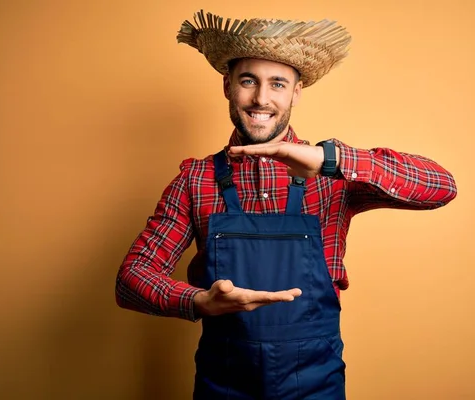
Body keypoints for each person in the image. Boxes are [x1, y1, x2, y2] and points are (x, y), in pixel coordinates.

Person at [115, 10, 457, 400]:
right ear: (227, 86)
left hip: (315, 385)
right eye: (248, 81)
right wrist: (198, 301)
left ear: (296, 92)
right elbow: (131, 279)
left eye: (277, 83)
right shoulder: (197, 180)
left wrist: (332, 159)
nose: (261, 98)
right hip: (224, 385)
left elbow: (440, 186)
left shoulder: (332, 178)